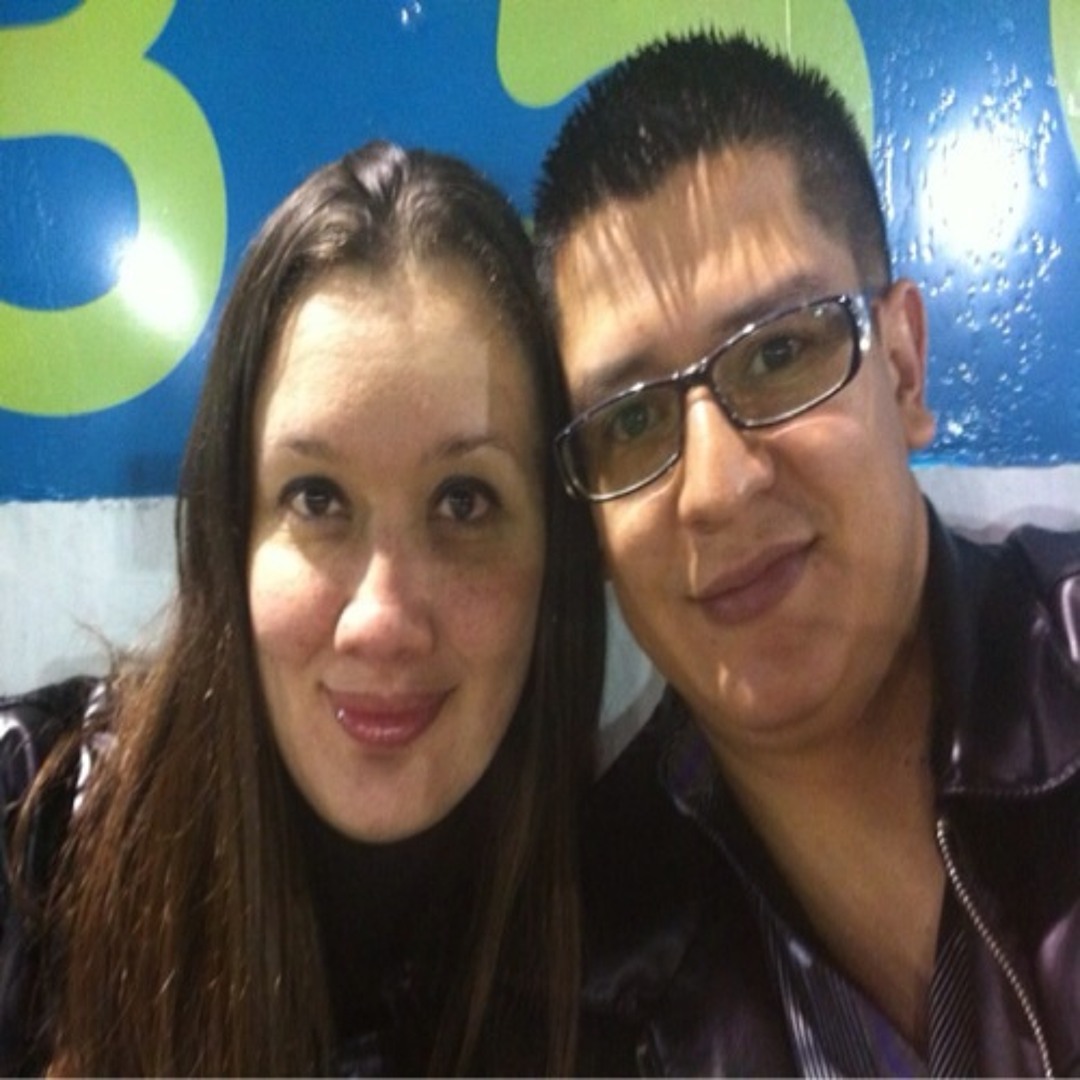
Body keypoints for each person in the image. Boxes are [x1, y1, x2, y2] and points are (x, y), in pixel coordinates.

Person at [533, 30, 1080, 1076]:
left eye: (780, 352)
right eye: (633, 421)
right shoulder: (576, 977)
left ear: (904, 368)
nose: (717, 488)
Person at [0, 140, 606, 1076]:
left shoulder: (638, 943)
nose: (380, 621)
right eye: (317, 498)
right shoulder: (30, 831)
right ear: (229, 537)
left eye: (464, 502)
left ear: (555, 556)